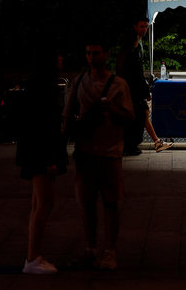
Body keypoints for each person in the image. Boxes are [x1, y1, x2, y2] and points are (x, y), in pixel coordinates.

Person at [63, 38, 135, 270]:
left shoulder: (118, 85)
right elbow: (67, 116)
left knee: (111, 203)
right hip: (85, 152)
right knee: (87, 204)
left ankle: (110, 251)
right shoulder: (79, 82)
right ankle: (91, 248)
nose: (91, 57)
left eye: (96, 53)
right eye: (88, 53)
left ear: (106, 55)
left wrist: (112, 110)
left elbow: (130, 118)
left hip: (110, 153)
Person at [16, 49, 68, 274]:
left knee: (38, 204)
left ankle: (33, 256)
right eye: (57, 56)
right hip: (41, 154)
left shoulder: (35, 87)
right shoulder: (44, 90)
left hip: (33, 153)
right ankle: (32, 258)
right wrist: (51, 159)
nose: (61, 59)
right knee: (44, 204)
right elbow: (45, 127)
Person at [117, 16, 171, 154]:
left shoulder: (138, 42)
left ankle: (156, 142)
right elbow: (133, 69)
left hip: (133, 86)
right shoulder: (132, 43)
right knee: (142, 113)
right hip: (131, 87)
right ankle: (154, 142)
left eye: (146, 26)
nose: (144, 29)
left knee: (143, 113)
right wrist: (143, 88)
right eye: (142, 26)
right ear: (135, 26)